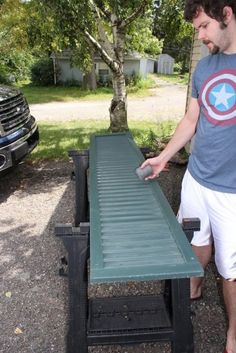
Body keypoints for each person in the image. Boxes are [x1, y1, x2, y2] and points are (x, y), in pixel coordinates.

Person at [141, 1, 236, 352]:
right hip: (196, 178)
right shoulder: (203, 68)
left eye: (205, 26)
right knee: (194, 242)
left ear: (227, 14)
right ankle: (193, 289)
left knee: (230, 268)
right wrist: (164, 157)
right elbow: (191, 119)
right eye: (197, 29)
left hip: (232, 193)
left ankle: (232, 335)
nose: (200, 35)